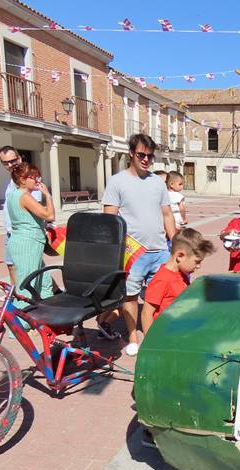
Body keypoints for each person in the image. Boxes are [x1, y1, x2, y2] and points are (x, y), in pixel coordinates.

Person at [102, 133, 177, 357]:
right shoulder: (117, 181)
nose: (146, 159)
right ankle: (133, 336)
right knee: (131, 296)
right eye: (141, 155)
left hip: (160, 251)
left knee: (162, 297)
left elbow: (167, 215)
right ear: (131, 154)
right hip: (133, 253)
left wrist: (175, 244)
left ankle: (155, 334)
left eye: (150, 156)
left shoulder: (157, 182)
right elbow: (110, 220)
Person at [141, 228, 215, 335]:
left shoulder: (182, 274)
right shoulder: (162, 279)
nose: (198, 266)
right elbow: (146, 314)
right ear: (180, 256)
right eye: (197, 262)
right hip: (165, 335)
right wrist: (150, 345)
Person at [6, 163, 54, 309]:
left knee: (44, 281)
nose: (37, 180)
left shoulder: (13, 194)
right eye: (33, 177)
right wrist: (47, 195)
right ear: (22, 179)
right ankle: (17, 328)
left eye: (37, 176)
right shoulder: (24, 196)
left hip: (24, 242)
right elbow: (49, 215)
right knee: (27, 285)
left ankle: (45, 319)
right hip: (28, 243)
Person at [0, 146, 41, 287]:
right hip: (11, 232)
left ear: (20, 158)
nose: (9, 165)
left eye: (12, 161)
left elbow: (37, 207)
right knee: (12, 265)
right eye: (5, 162)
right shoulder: (12, 181)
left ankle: (22, 299)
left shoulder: (28, 180)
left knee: (29, 268)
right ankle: (16, 296)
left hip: (24, 234)